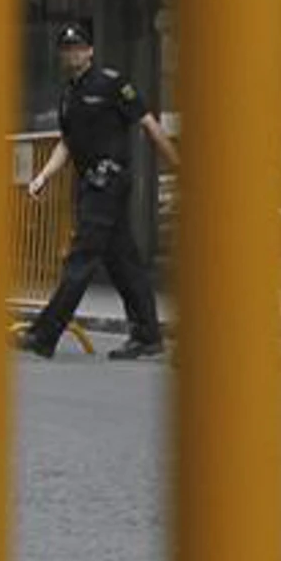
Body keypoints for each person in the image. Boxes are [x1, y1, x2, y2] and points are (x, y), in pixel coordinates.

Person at [18, 23, 182, 360]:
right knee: (123, 261)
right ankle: (148, 335)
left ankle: (44, 334)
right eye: (67, 49)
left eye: (78, 47)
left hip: (109, 181)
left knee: (81, 257)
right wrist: (43, 176)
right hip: (89, 183)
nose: (72, 53)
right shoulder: (69, 95)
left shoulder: (112, 84)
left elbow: (149, 124)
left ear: (90, 51)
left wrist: (179, 167)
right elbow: (66, 142)